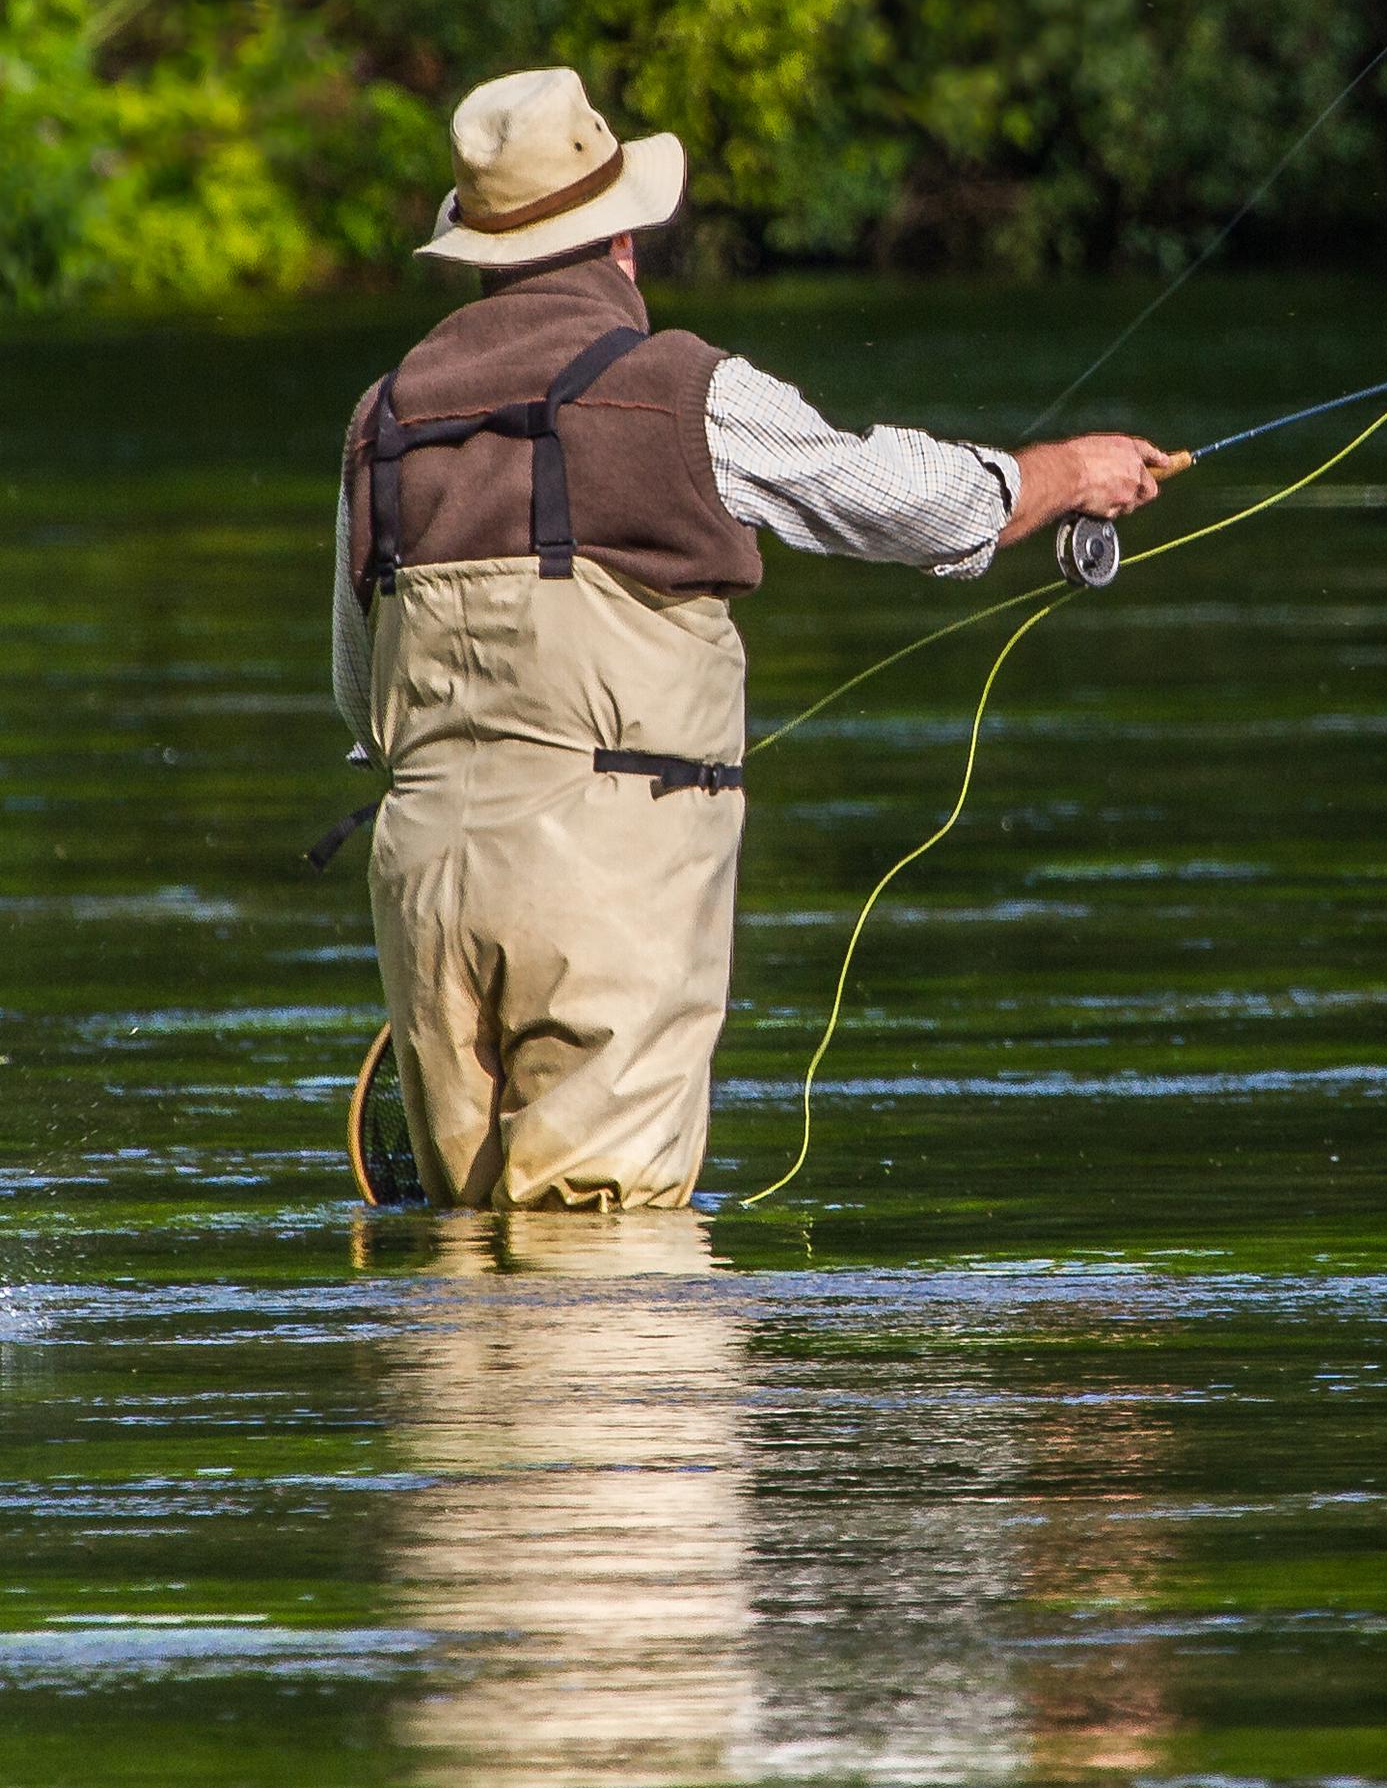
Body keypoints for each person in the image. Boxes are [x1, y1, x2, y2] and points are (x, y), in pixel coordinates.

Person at [332, 69, 1182, 1209]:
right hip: (605, 891)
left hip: (423, 887)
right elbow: (905, 501)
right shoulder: (680, 390)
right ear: (620, 242)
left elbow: (358, 693)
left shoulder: (382, 421)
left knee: (463, 1263)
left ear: (476, 252)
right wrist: (1070, 472)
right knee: (607, 1256)